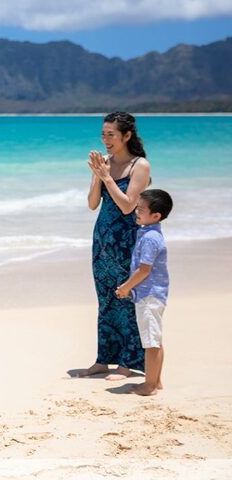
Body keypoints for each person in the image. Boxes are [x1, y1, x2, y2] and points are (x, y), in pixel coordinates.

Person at [81, 112, 151, 380]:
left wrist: (107, 176)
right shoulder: (105, 163)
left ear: (127, 136)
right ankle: (103, 359)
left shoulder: (139, 166)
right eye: (103, 134)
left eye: (111, 134)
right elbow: (91, 204)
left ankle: (127, 362)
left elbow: (127, 205)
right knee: (105, 299)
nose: (106, 139)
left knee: (125, 297)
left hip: (127, 241)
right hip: (102, 240)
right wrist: (98, 175)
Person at [115, 189, 172, 396]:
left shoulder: (150, 238)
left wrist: (126, 287)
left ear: (156, 216)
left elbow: (145, 269)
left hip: (149, 295)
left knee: (150, 342)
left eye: (140, 209)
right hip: (153, 294)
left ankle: (149, 386)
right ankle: (156, 381)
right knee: (154, 339)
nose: (136, 212)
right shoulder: (150, 233)